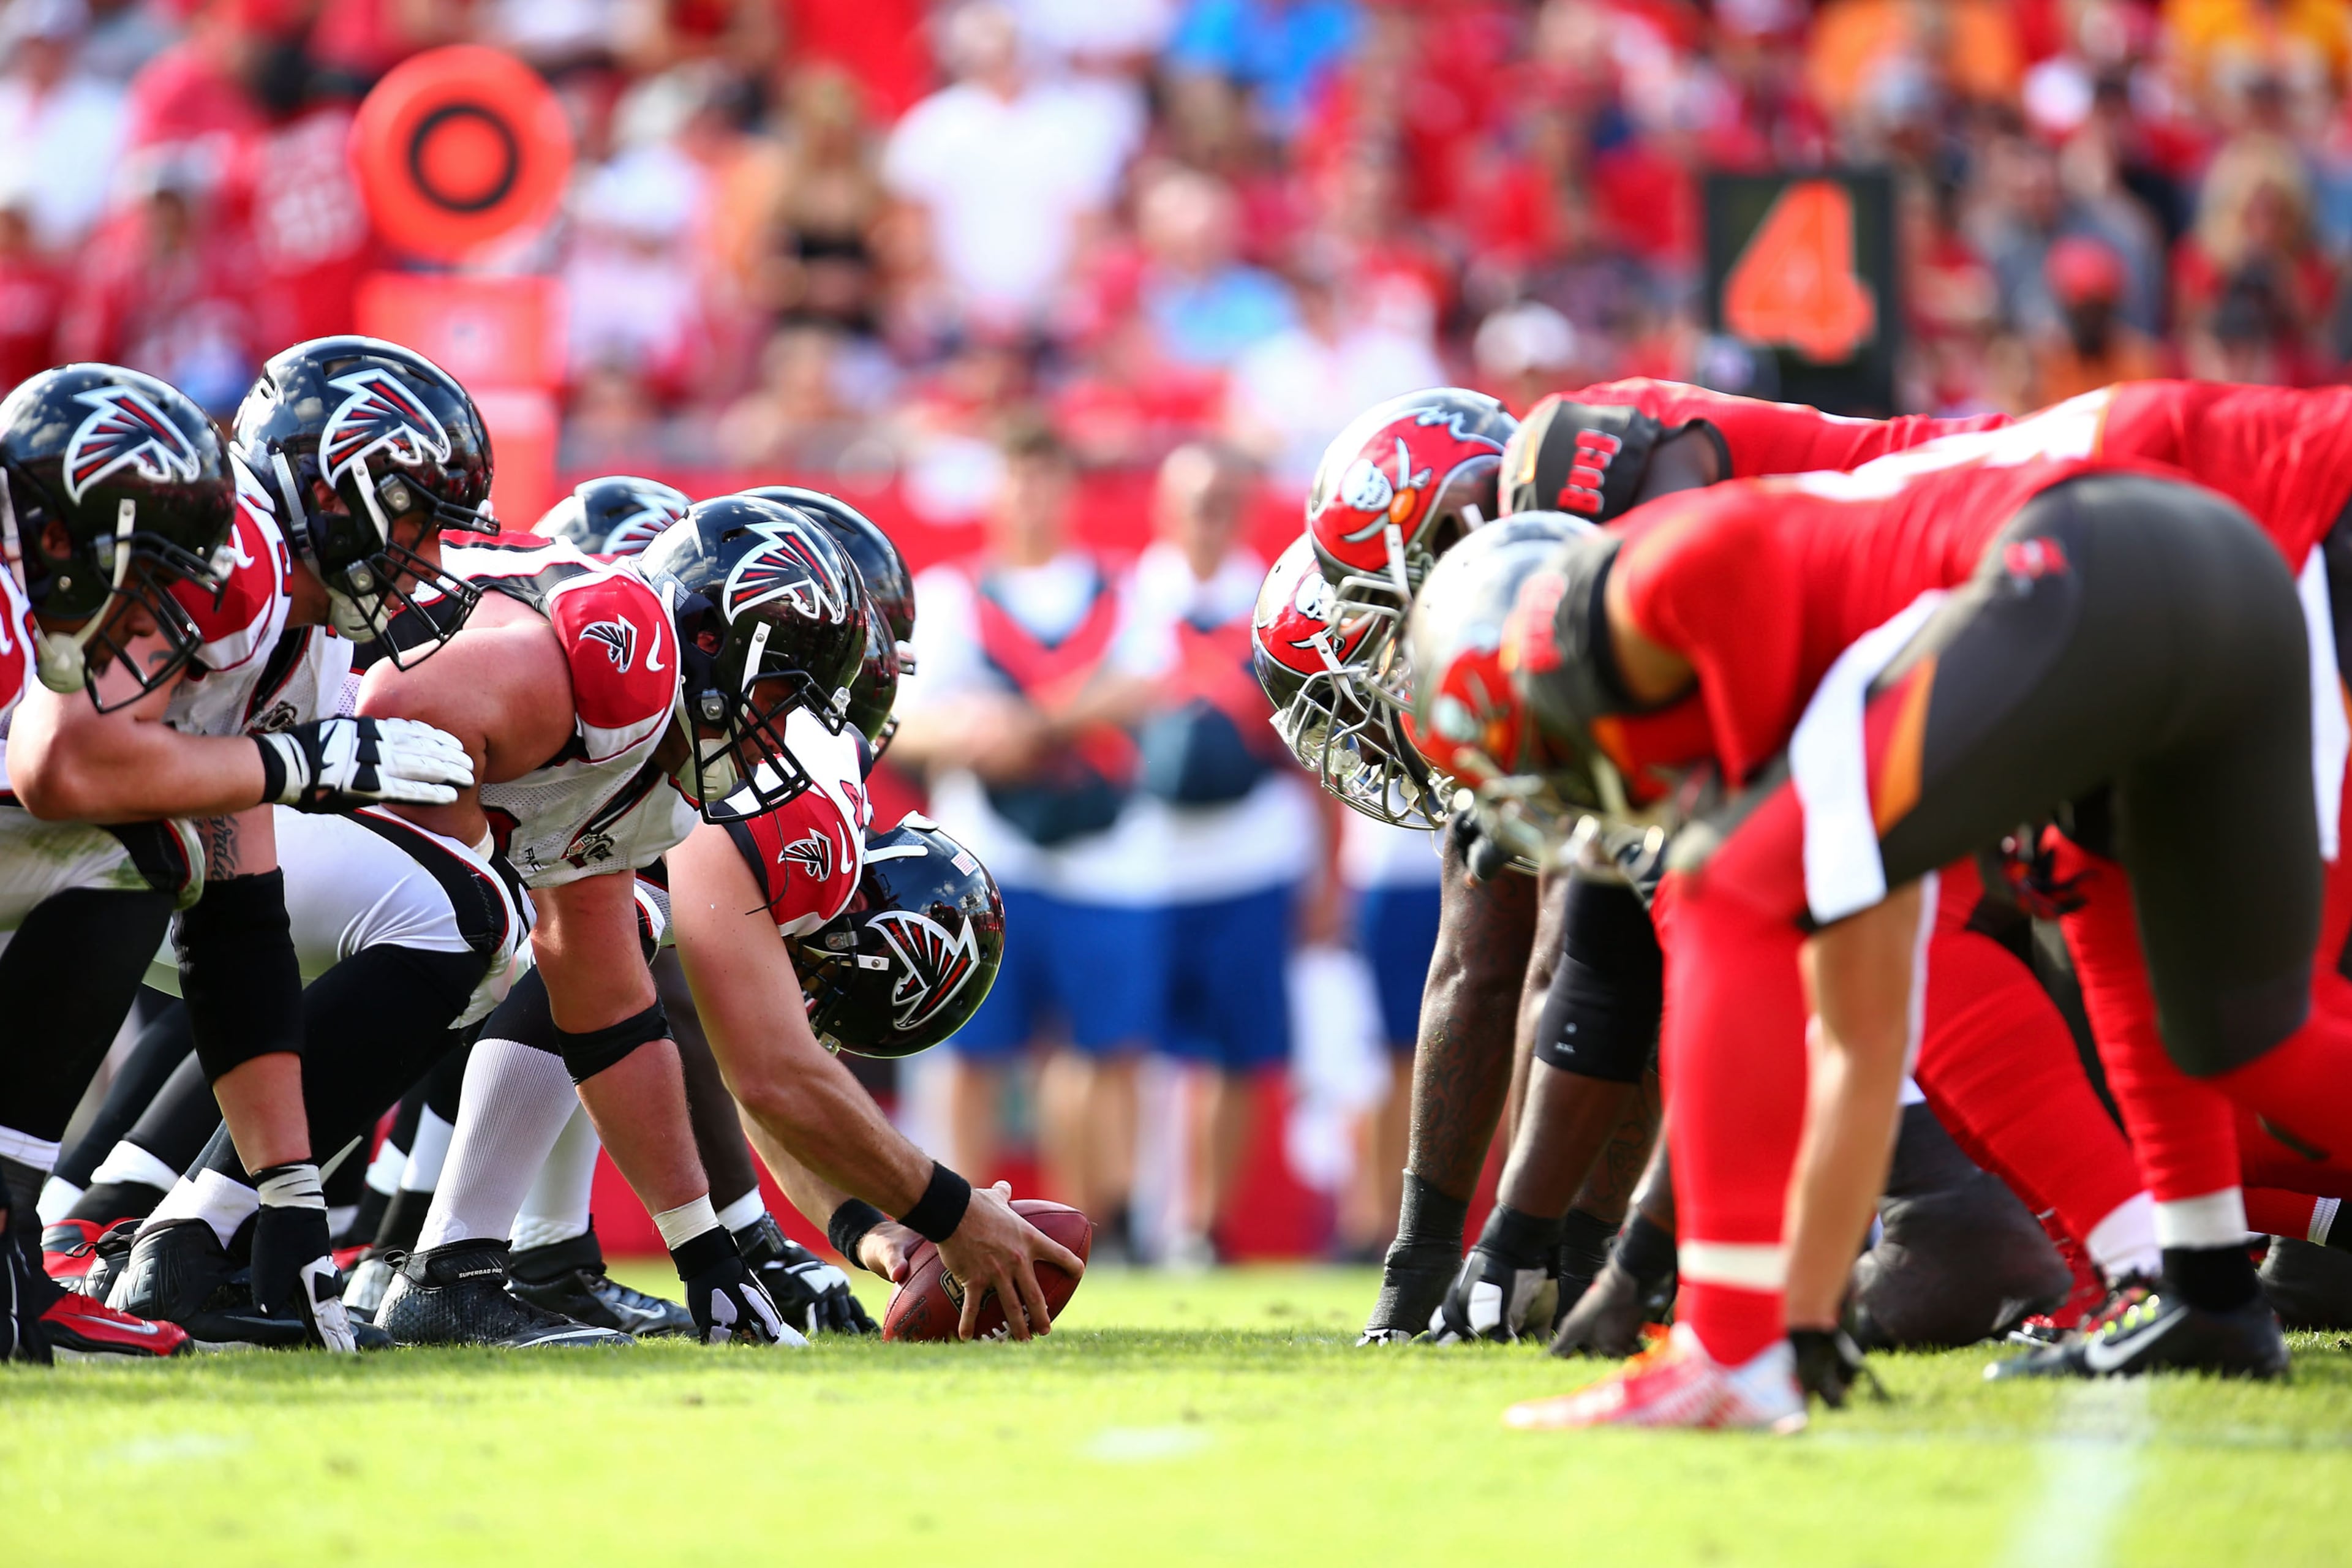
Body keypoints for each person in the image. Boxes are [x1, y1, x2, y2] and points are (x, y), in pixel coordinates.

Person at [1424, 446, 2334, 1427]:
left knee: (1726, 889)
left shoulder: (1666, 572)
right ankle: (2204, 1295)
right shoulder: (1807, 626)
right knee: (2252, 1035)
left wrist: (1662, 1272)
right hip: (2226, 567)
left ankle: (1729, 1354)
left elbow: (1752, 901)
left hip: (2089, 558)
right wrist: (1810, 1316)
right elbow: (1862, 1021)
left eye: (1550, 770)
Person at [0, 356, 475, 1360]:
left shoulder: (305, 638)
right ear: (337, 492)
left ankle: (48, 1230)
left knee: (175, 849)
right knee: (142, 836)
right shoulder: (236, 561)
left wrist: (291, 1201)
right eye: (416, 517)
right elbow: (64, 765)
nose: (433, 552)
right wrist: (291, 762)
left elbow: (239, 920)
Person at [890, 418, 1164, 1251]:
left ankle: (1094, 1227)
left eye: (1046, 479)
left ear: (1070, 491)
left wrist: (1028, 723)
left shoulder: (1123, 589)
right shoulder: (949, 596)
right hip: (986, 858)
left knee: (1102, 1051)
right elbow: (905, 728)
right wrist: (973, 733)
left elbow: (1144, 687)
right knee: (975, 1054)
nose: (1031, 498)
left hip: (1108, 853)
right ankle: (965, 1228)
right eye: (1017, 480)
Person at [1117, 443, 1316, 1262]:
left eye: (1222, 501)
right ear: (1165, 505)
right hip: (1140, 859)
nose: (1208, 517)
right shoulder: (1126, 598)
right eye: (1194, 500)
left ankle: (1203, 1225)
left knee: (1238, 1053)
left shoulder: (1278, 600)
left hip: (1249, 853)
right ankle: (1126, 1212)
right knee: (1123, 1046)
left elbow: (1313, 748)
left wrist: (1326, 877)